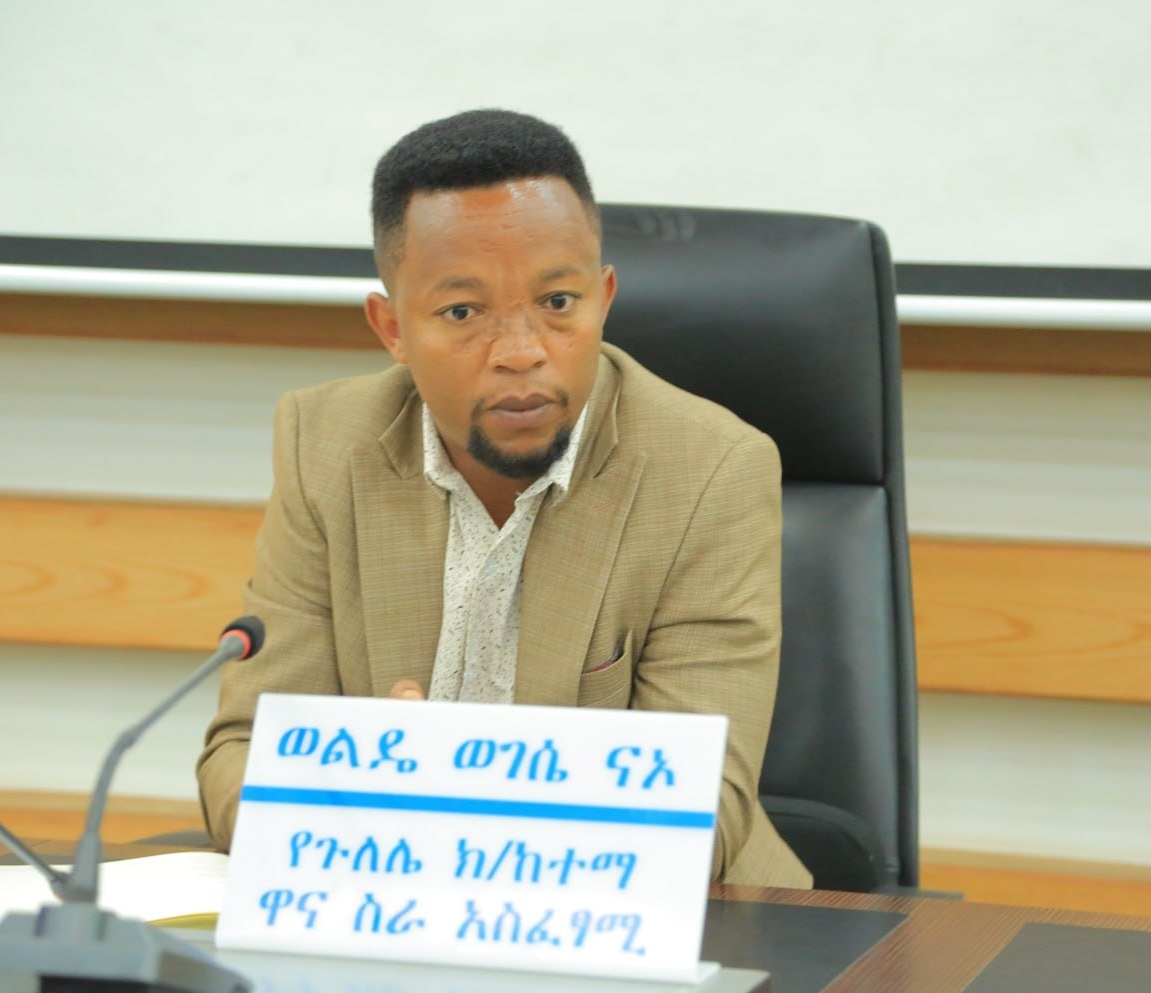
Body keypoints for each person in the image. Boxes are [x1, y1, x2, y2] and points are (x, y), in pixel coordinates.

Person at [197, 109, 811, 888]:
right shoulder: (325, 447)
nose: (521, 353)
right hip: (389, 906)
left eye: (558, 302)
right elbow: (241, 758)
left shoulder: (710, 470)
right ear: (392, 327)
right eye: (463, 312)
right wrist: (366, 799)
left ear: (603, 298)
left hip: (687, 922)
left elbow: (700, 815)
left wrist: (429, 793)